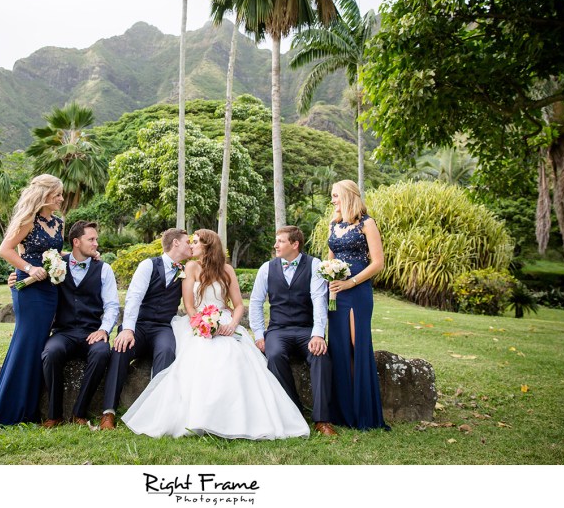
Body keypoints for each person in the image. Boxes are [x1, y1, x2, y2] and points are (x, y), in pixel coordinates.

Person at [121, 229, 310, 439]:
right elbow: (189, 306)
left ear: (208, 245)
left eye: (195, 242)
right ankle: (199, 418)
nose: (191, 245)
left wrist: (232, 325)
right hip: (198, 323)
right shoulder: (190, 268)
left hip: (226, 322)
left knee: (235, 355)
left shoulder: (227, 270)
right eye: (190, 241)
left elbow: (238, 305)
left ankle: (237, 418)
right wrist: (202, 324)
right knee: (201, 354)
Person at [0, 174, 65, 427]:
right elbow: (5, 250)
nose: (61, 198)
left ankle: (28, 410)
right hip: (30, 290)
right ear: (44, 196)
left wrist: (85, 255)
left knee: (38, 344)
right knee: (27, 343)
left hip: (50, 288)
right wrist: (29, 269)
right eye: (57, 194)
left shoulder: (58, 223)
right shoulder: (27, 221)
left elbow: (56, 252)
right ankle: (9, 412)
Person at [98, 228, 192, 430]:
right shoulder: (148, 265)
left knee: (167, 351)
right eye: (187, 242)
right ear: (175, 243)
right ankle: (108, 412)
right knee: (121, 349)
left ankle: (156, 411)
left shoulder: (186, 270)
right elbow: (134, 297)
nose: (190, 245)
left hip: (163, 327)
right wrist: (128, 329)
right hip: (139, 326)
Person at [249, 225, 337, 436]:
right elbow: (255, 302)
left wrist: (317, 334)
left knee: (321, 356)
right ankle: (293, 412)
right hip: (278, 330)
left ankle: (322, 420)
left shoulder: (314, 265)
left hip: (306, 329)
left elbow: (319, 300)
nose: (275, 245)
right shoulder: (267, 268)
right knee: (275, 355)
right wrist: (260, 335)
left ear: (295, 244)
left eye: (280, 241)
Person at [40, 221, 119, 427]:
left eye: (96, 239)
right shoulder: (55, 264)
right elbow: (35, 283)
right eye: (91, 239)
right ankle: (54, 415)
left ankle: (79, 412)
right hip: (63, 332)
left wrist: (103, 330)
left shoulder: (104, 269)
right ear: (76, 242)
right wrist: (15, 277)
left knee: (102, 352)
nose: (96, 243)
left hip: (91, 331)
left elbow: (112, 305)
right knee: (51, 353)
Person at [326, 179, 390, 430]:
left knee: (356, 344)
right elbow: (330, 259)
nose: (332, 200)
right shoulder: (333, 224)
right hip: (336, 293)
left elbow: (378, 263)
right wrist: (328, 277)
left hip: (357, 292)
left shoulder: (367, 223)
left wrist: (350, 283)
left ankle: (363, 411)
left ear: (347, 196)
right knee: (339, 346)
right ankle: (342, 412)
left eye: (335, 196)